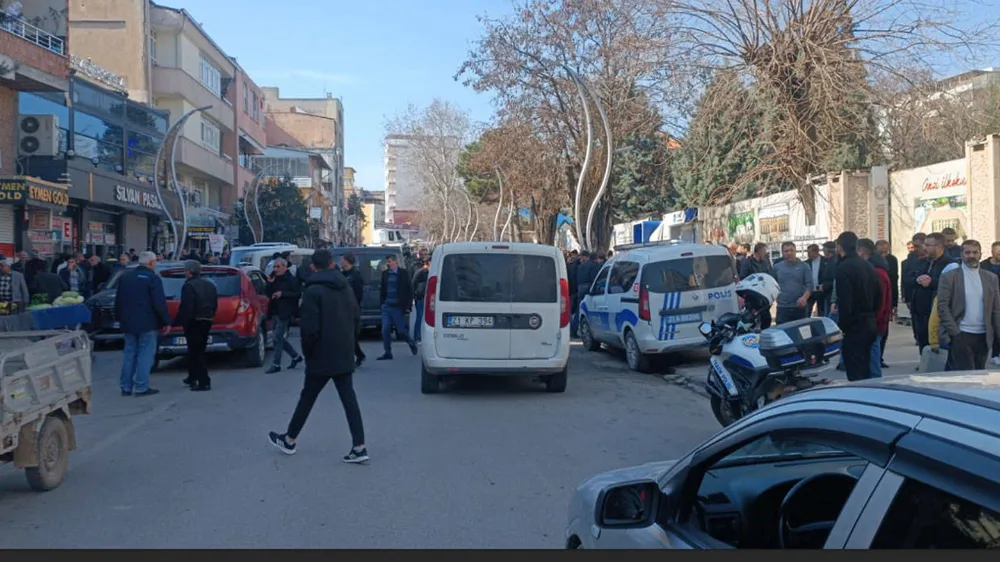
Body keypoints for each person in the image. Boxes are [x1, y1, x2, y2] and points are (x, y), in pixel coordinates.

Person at [268, 249, 368, 463]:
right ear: (332, 263)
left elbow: (309, 329)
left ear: (313, 267)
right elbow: (356, 317)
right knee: (349, 399)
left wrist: (308, 352)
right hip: (343, 351)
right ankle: (359, 446)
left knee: (308, 397)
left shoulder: (313, 291)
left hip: (321, 354)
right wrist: (350, 343)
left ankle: (290, 439)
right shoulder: (345, 286)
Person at [936, 240, 1000, 371]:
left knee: (979, 373)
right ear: (961, 254)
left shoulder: (991, 278)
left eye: (975, 252)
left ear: (980, 254)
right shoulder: (949, 277)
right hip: (961, 333)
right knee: (965, 374)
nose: (971, 256)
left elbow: (996, 309)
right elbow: (942, 306)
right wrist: (955, 332)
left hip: (983, 336)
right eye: (967, 252)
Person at [115, 251, 170, 397]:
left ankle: (126, 387)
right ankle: (141, 387)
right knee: (145, 354)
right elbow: (159, 302)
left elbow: (118, 300)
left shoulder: (126, 277)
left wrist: (119, 318)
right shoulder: (153, 278)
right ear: (151, 263)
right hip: (147, 323)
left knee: (129, 354)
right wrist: (166, 321)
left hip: (128, 322)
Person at [834, 232, 881, 381]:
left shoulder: (844, 268)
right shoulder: (868, 265)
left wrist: (843, 326)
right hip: (869, 321)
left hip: (854, 325)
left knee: (855, 370)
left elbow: (845, 301)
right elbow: (878, 296)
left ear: (839, 247)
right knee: (865, 365)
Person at [173, 260, 218, 391]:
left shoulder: (189, 286)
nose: (184, 272)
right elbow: (215, 303)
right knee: (197, 350)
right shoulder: (210, 285)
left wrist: (179, 322)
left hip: (194, 321)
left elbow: (187, 307)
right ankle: (192, 376)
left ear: (189, 271)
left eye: (185, 270)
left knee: (196, 352)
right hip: (207, 320)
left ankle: (204, 381)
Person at [908, 233, 954, 354]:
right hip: (920, 311)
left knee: (937, 347)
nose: (924, 248)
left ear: (939, 247)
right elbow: (909, 278)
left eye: (928, 245)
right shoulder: (924, 262)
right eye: (925, 244)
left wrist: (931, 282)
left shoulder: (949, 264)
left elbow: (951, 285)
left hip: (936, 312)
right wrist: (917, 280)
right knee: (923, 344)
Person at [858, 238, 893, 378]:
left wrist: (874, 320)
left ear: (862, 252)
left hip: (875, 321)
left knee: (873, 352)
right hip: (876, 319)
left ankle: (875, 380)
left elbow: (880, 301)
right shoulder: (876, 270)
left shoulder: (876, 272)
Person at [265, 258, 304, 374]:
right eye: (274, 267)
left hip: (285, 312)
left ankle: (276, 364)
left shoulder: (291, 279)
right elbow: (268, 293)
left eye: (278, 267)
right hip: (274, 311)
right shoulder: (274, 278)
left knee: (277, 337)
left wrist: (283, 294)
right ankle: (295, 356)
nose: (275, 269)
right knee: (278, 338)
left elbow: (297, 294)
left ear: (285, 267)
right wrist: (270, 283)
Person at [377, 254, 418, 360]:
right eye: (387, 262)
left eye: (390, 261)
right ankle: (388, 352)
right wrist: (382, 303)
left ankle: (411, 343)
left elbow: (409, 290)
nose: (388, 264)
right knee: (385, 329)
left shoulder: (403, 273)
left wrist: (408, 306)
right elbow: (382, 290)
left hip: (397, 307)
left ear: (395, 262)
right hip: (387, 306)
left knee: (401, 330)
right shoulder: (385, 274)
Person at [771, 242, 812, 324]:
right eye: (786, 251)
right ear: (782, 253)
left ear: (795, 251)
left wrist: (804, 298)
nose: (789, 253)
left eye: (791, 250)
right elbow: (773, 285)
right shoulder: (776, 267)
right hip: (783, 308)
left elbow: (810, 285)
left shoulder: (804, 266)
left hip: (799, 307)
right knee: (782, 331)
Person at [875, 240, 899, 368]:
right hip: (877, 298)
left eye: (886, 252)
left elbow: (894, 280)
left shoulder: (892, 260)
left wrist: (894, 303)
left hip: (888, 296)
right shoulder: (873, 262)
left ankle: (879, 357)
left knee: (884, 330)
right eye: (881, 253)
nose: (884, 255)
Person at [340, 252, 366, 366]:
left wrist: (354, 306)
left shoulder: (356, 275)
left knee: (350, 335)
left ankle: (355, 357)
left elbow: (358, 294)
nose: (341, 262)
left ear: (347, 261)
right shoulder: (342, 274)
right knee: (345, 335)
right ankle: (358, 355)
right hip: (342, 308)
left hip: (352, 309)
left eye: (342, 260)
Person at [411, 257, 430, 344]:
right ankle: (417, 337)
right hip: (421, 297)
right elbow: (422, 286)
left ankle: (417, 336)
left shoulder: (419, 271)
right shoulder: (425, 272)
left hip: (418, 297)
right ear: (428, 263)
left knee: (419, 317)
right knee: (420, 317)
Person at [805, 244, 827, 317]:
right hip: (809, 292)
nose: (808, 254)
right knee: (807, 311)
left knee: (821, 312)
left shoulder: (825, 261)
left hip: (821, 291)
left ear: (816, 251)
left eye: (810, 252)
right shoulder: (806, 263)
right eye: (807, 252)